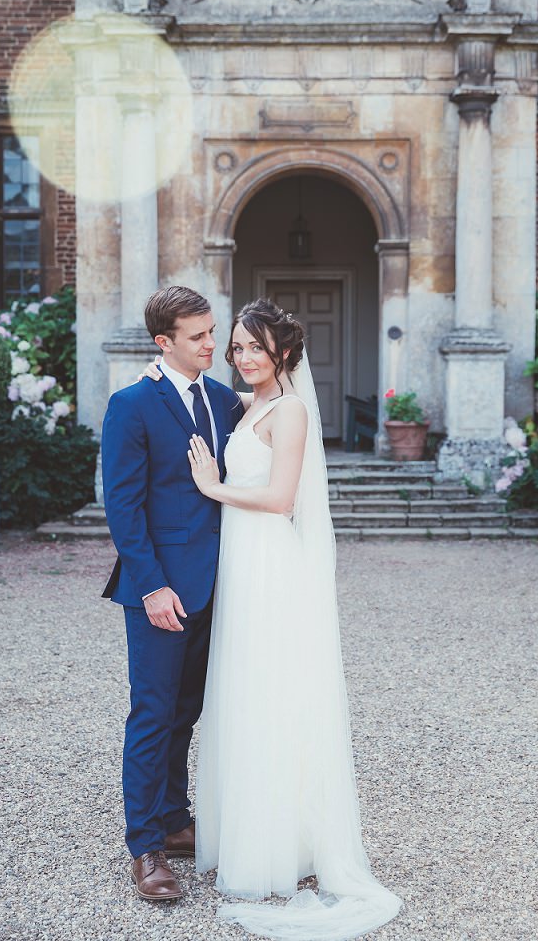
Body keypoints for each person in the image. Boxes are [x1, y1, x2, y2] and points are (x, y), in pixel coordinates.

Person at [183, 298, 402, 939]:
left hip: (269, 564)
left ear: (284, 351)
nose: (244, 358)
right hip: (239, 562)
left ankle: (279, 850)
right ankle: (248, 834)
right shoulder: (243, 407)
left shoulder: (292, 410)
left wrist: (211, 486)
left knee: (271, 694)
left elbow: (279, 500)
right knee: (243, 696)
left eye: (256, 347)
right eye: (238, 349)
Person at [100, 286, 244, 902]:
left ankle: (175, 819)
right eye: (199, 336)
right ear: (164, 342)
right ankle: (146, 847)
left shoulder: (223, 399)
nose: (213, 344)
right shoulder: (131, 404)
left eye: (214, 331)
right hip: (159, 591)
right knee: (153, 714)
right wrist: (153, 585)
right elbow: (124, 507)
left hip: (219, 586)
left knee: (188, 711)